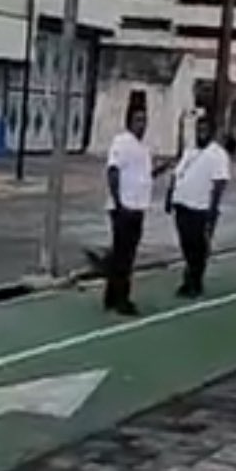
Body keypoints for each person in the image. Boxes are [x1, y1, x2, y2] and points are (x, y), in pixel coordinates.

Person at [167, 112, 231, 298]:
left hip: (201, 207)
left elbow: (219, 183)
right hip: (182, 204)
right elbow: (176, 174)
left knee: (198, 247)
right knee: (186, 244)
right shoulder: (190, 151)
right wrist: (170, 196)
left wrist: (213, 209)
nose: (201, 133)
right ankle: (189, 278)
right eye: (198, 130)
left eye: (205, 130)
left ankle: (194, 282)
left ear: (211, 132)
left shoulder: (218, 154)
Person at [103, 100, 153, 316]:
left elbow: (142, 176)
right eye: (138, 120)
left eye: (144, 120)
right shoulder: (122, 142)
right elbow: (113, 172)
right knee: (124, 256)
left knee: (122, 255)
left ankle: (111, 296)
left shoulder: (143, 148)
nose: (142, 125)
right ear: (129, 122)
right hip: (124, 208)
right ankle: (121, 299)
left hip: (138, 206)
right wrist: (118, 202)